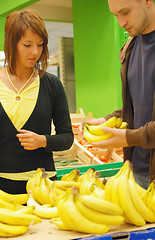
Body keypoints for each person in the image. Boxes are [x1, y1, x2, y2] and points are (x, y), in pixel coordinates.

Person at [0, 9, 74, 194]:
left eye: (40, 45)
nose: (35, 52)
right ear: (11, 43)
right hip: (3, 186)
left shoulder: (52, 85)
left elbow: (67, 137)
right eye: (27, 44)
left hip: (44, 185)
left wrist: (43, 141)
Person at [83, 0, 155, 189]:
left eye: (125, 12)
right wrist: (109, 119)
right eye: (115, 15)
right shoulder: (130, 48)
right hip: (136, 171)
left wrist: (128, 137)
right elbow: (137, 107)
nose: (121, 22)